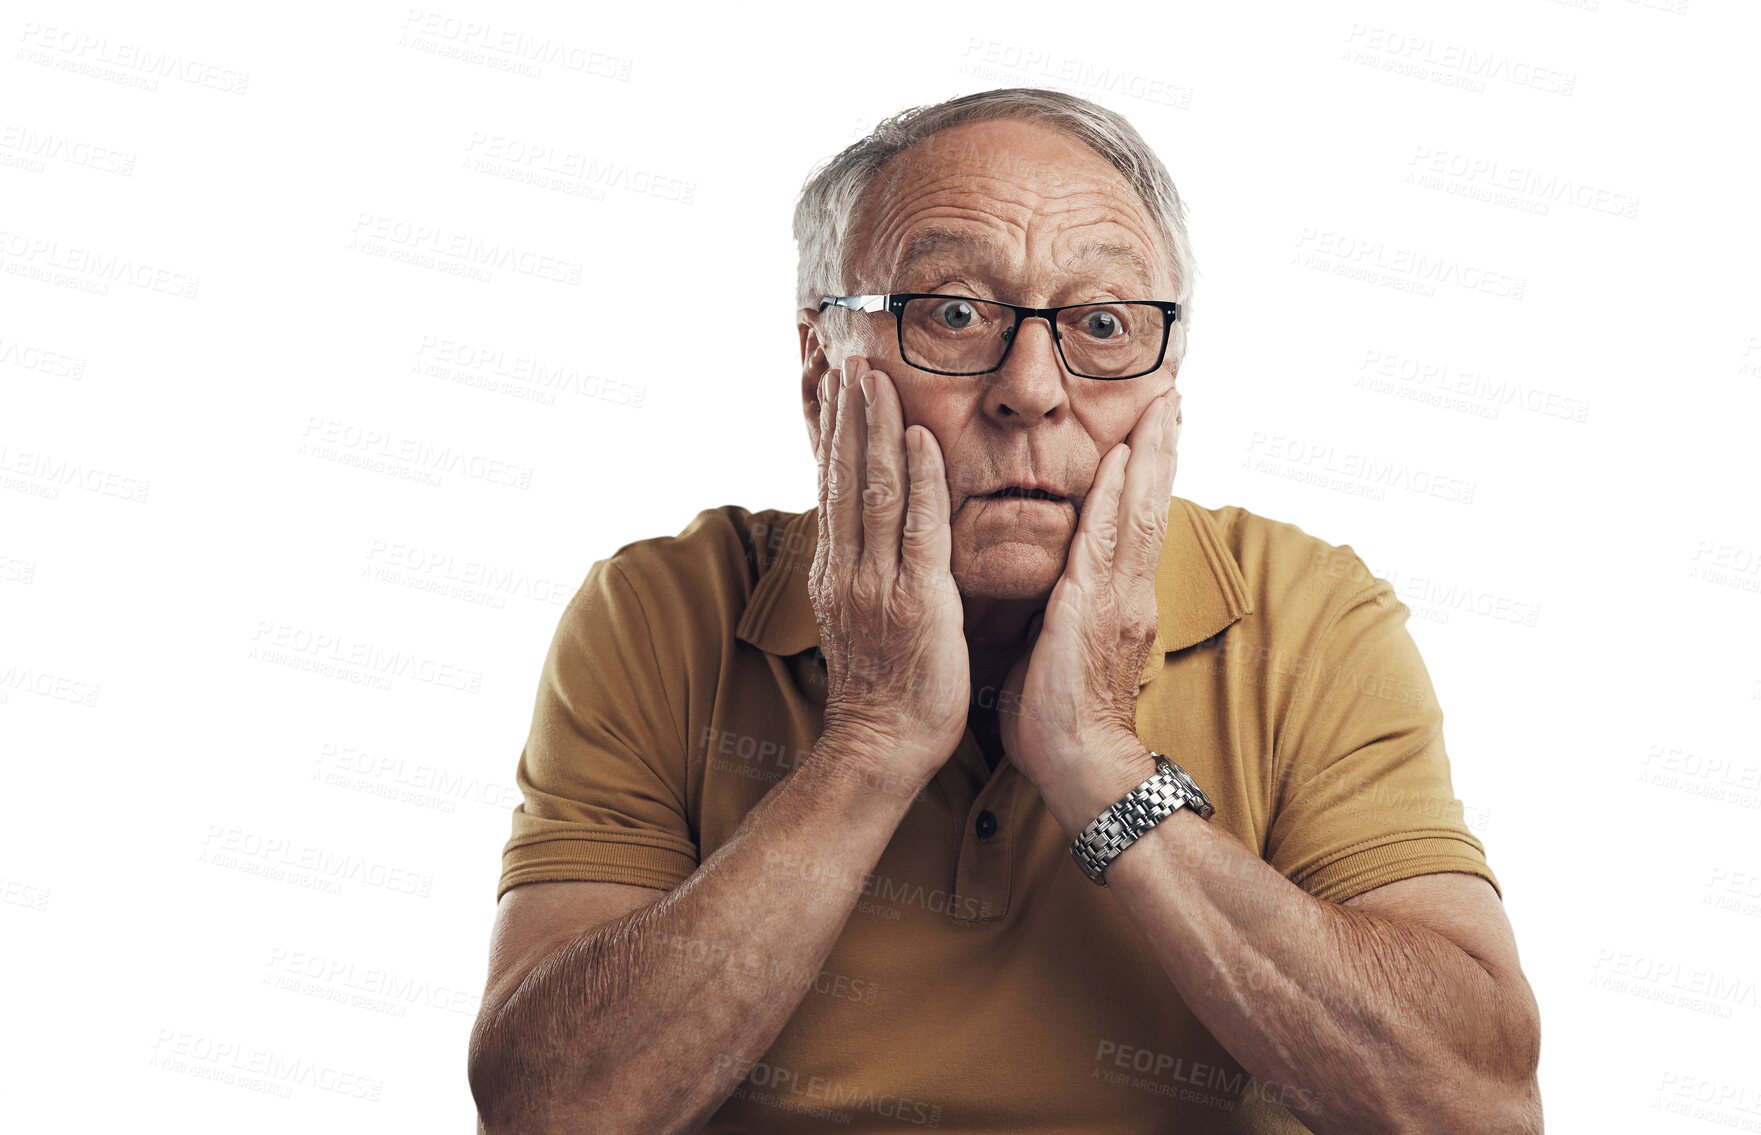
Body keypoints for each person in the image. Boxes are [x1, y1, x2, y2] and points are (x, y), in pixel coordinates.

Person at [467, 87, 1542, 1134]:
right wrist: (871, 744)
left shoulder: (1308, 615)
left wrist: (1098, 759)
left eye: (1106, 323)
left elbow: (1476, 1108)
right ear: (819, 370)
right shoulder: (664, 611)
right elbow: (542, 1112)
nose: (1032, 386)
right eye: (953, 314)